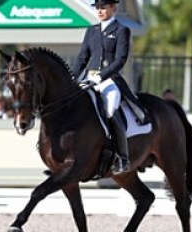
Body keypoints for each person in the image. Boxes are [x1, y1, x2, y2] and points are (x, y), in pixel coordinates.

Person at [73, 0, 149, 174]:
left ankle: (122, 157)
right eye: (97, 8)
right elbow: (82, 58)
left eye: (103, 8)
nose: (99, 11)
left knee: (109, 109)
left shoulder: (121, 30)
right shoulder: (91, 30)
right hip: (88, 77)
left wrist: (100, 76)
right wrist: (73, 77)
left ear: (113, 8)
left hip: (109, 80)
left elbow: (120, 60)